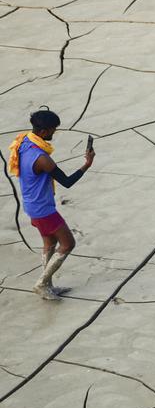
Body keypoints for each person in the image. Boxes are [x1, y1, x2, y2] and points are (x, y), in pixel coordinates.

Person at [6, 108, 95, 299]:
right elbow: (68, 182)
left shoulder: (24, 142)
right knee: (68, 243)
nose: (55, 133)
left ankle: (48, 286)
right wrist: (86, 164)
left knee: (50, 242)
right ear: (44, 132)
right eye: (54, 129)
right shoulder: (42, 159)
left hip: (32, 205)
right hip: (43, 210)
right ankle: (41, 283)